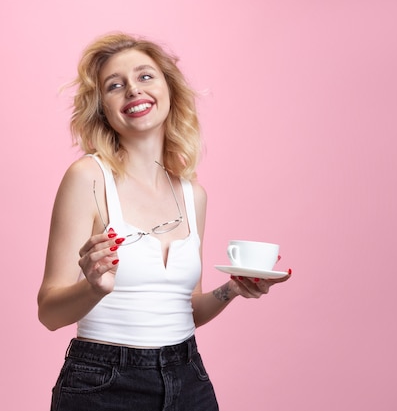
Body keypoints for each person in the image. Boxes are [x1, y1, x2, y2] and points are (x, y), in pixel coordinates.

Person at [37, 32, 291, 411]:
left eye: (144, 76)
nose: (133, 91)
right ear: (103, 107)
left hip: (188, 377)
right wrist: (93, 287)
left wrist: (232, 290)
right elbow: (48, 313)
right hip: (103, 383)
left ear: (168, 89)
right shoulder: (88, 178)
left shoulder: (193, 195)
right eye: (115, 85)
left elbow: (186, 309)